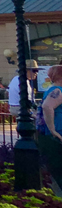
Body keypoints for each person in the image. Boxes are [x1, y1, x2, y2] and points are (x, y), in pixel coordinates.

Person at [36, 65, 62, 197]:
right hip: (57, 136)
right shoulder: (57, 90)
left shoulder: (54, 89)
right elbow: (47, 106)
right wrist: (53, 130)